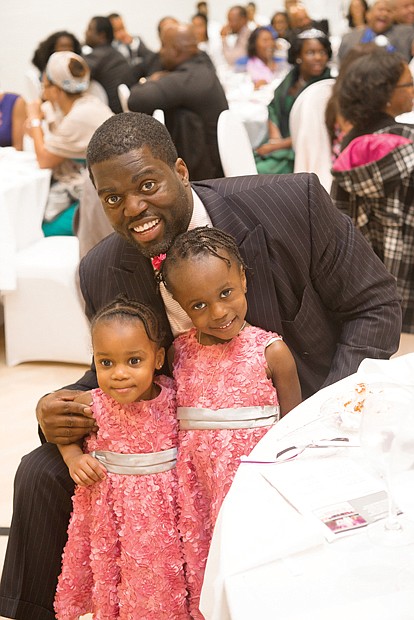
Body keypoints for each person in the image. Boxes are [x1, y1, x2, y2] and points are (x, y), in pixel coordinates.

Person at [0, 111, 401, 620]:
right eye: (113, 198)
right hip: (180, 444)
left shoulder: (291, 203)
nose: (134, 209)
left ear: (182, 171)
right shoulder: (103, 268)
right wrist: (56, 408)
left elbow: (375, 305)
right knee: (40, 472)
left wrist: (316, 424)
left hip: (303, 417)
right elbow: (126, 364)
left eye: (147, 184)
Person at [160, 226, 302, 618]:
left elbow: (293, 433)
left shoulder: (272, 353)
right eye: (199, 305)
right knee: (204, 574)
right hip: (197, 497)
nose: (219, 312)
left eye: (225, 294)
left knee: (253, 575)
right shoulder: (179, 354)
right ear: (180, 305)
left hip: (252, 495)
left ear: (242, 277)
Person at [53, 295, 189, 619]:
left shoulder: (174, 397)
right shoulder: (93, 403)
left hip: (165, 517)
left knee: (163, 582)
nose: (119, 374)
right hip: (113, 516)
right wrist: (73, 458)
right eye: (106, 362)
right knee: (119, 582)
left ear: (157, 359)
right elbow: (64, 433)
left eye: (133, 361)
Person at [330, 48, 414, 333]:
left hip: (367, 292)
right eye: (409, 84)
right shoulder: (409, 145)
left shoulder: (350, 148)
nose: (413, 89)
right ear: (386, 94)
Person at [25, 51, 112, 236]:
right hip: (94, 188)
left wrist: (34, 120)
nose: (42, 91)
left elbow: (44, 160)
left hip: (98, 200)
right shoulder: (84, 104)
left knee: (38, 230)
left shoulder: (79, 117)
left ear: (56, 91)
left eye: (45, 85)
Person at [128, 23, 228, 181]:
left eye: (163, 46)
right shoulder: (201, 66)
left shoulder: (189, 79)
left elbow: (136, 99)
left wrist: (151, 80)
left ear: (175, 50)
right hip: (213, 161)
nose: (161, 52)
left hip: (207, 174)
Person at [255, 29, 332, 174]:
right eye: (310, 52)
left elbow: (316, 131)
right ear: (298, 56)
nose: (318, 58)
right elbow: (273, 107)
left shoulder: (325, 88)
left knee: (259, 172)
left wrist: (277, 146)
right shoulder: (292, 78)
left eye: (322, 52)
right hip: (281, 144)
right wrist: (274, 137)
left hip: (304, 151)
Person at [83, 15, 135, 113]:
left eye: (89, 29)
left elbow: (73, 75)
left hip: (109, 115)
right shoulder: (117, 54)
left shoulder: (98, 56)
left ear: (101, 36)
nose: (86, 33)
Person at [338, 0, 414, 63]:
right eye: (380, 9)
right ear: (368, 14)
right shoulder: (349, 39)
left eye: (389, 11)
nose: (384, 13)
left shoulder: (406, 33)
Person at [108, 12, 154, 78]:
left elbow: (151, 57)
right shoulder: (108, 48)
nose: (122, 33)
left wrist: (133, 44)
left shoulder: (136, 41)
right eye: (117, 30)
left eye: (122, 28)